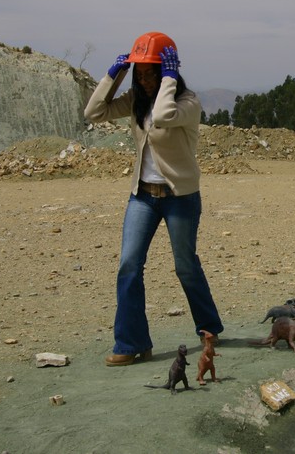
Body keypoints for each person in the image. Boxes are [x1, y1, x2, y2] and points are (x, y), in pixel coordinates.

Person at [84, 31, 224, 366]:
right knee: (129, 265)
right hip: (143, 196)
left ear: (166, 72)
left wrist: (169, 80)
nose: (145, 81)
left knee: (185, 266)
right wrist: (114, 75)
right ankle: (131, 343)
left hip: (180, 197)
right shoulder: (136, 99)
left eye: (152, 74)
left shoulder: (187, 103)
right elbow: (94, 112)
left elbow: (162, 116)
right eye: (141, 74)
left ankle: (208, 327)